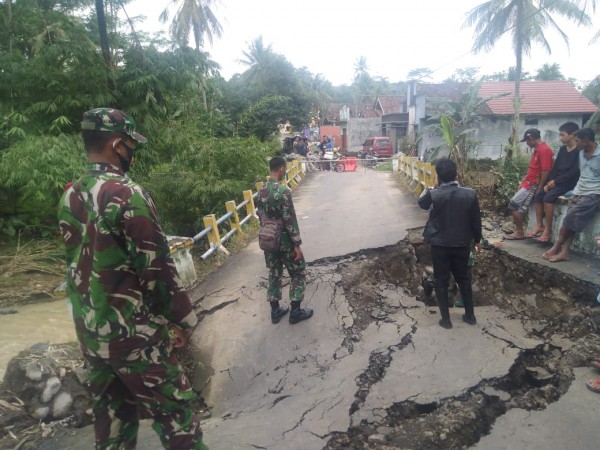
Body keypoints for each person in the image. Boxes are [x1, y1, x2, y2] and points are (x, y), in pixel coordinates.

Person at [57, 108, 207, 450]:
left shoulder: (70, 195)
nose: (133, 151)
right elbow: (156, 270)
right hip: (134, 336)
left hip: (92, 334)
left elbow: (79, 265)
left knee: (111, 423)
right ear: (116, 144)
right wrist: (181, 320)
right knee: (178, 414)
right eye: (130, 144)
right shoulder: (128, 194)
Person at [418, 158, 482, 329]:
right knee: (464, 279)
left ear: (438, 177)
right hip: (462, 244)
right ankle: (470, 316)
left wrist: (433, 187)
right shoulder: (470, 194)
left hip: (440, 245)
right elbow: (476, 221)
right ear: (457, 174)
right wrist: (477, 240)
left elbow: (421, 204)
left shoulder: (434, 194)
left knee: (441, 280)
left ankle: (445, 320)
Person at [257, 156, 313, 324]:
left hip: (269, 239)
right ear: (281, 169)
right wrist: (297, 244)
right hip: (285, 242)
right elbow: (289, 220)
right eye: (285, 169)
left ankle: (275, 311)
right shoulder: (283, 191)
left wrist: (268, 232)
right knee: (298, 271)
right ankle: (295, 311)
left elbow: (261, 216)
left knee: (274, 273)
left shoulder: (262, 191)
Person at [543, 128, 600, 262]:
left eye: (578, 141)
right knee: (571, 221)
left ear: (586, 140)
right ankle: (565, 252)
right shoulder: (580, 153)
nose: (577, 144)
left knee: (570, 218)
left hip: (594, 193)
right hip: (579, 190)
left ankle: (557, 247)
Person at [530, 122, 581, 242]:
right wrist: (549, 181)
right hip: (556, 181)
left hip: (569, 182)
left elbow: (574, 171)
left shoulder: (579, 151)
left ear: (572, 134)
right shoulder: (563, 149)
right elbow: (556, 167)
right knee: (539, 195)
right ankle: (539, 225)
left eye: (563, 135)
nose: (561, 137)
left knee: (548, 197)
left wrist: (556, 182)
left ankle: (548, 229)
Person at [505, 128, 554, 240]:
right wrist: (523, 182)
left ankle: (519, 232)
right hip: (528, 182)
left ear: (531, 138)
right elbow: (533, 169)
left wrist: (539, 187)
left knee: (514, 204)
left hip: (533, 185)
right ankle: (519, 230)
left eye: (527, 141)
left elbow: (546, 170)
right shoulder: (538, 149)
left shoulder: (544, 150)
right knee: (516, 205)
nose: (527, 143)